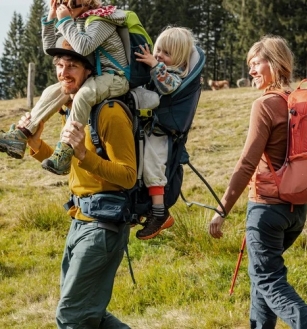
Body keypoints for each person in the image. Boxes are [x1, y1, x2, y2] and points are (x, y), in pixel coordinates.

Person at [19, 39, 136, 328]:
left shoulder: (109, 112)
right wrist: (36, 145)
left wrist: (83, 154)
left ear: (89, 70)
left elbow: (128, 175)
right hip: (79, 221)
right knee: (90, 314)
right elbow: (72, 167)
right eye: (59, 65)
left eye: (72, 65)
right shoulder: (72, 110)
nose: (63, 72)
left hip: (103, 226)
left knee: (71, 316)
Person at [209, 35, 307, 328]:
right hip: (296, 211)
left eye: (256, 63)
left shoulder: (264, 104)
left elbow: (246, 163)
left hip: (266, 210)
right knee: (261, 279)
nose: (251, 70)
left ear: (275, 64)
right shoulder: (297, 104)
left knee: (268, 279)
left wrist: (222, 209)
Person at [0, 0, 129, 176]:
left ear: (85, 3)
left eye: (68, 4)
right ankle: (21, 134)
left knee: (83, 95)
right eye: (60, 3)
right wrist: (50, 20)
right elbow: (51, 49)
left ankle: (66, 150)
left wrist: (64, 21)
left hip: (115, 77)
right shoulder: (77, 21)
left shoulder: (101, 20)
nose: (63, 7)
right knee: (52, 91)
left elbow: (83, 48)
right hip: (95, 76)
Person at [133, 26, 195, 240]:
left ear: (179, 60)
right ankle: (145, 207)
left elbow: (168, 87)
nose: (159, 56)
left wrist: (155, 65)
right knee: (142, 164)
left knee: (153, 165)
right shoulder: (161, 68)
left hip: (162, 133)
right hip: (150, 128)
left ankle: (160, 212)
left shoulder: (175, 75)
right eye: (158, 50)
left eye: (166, 54)